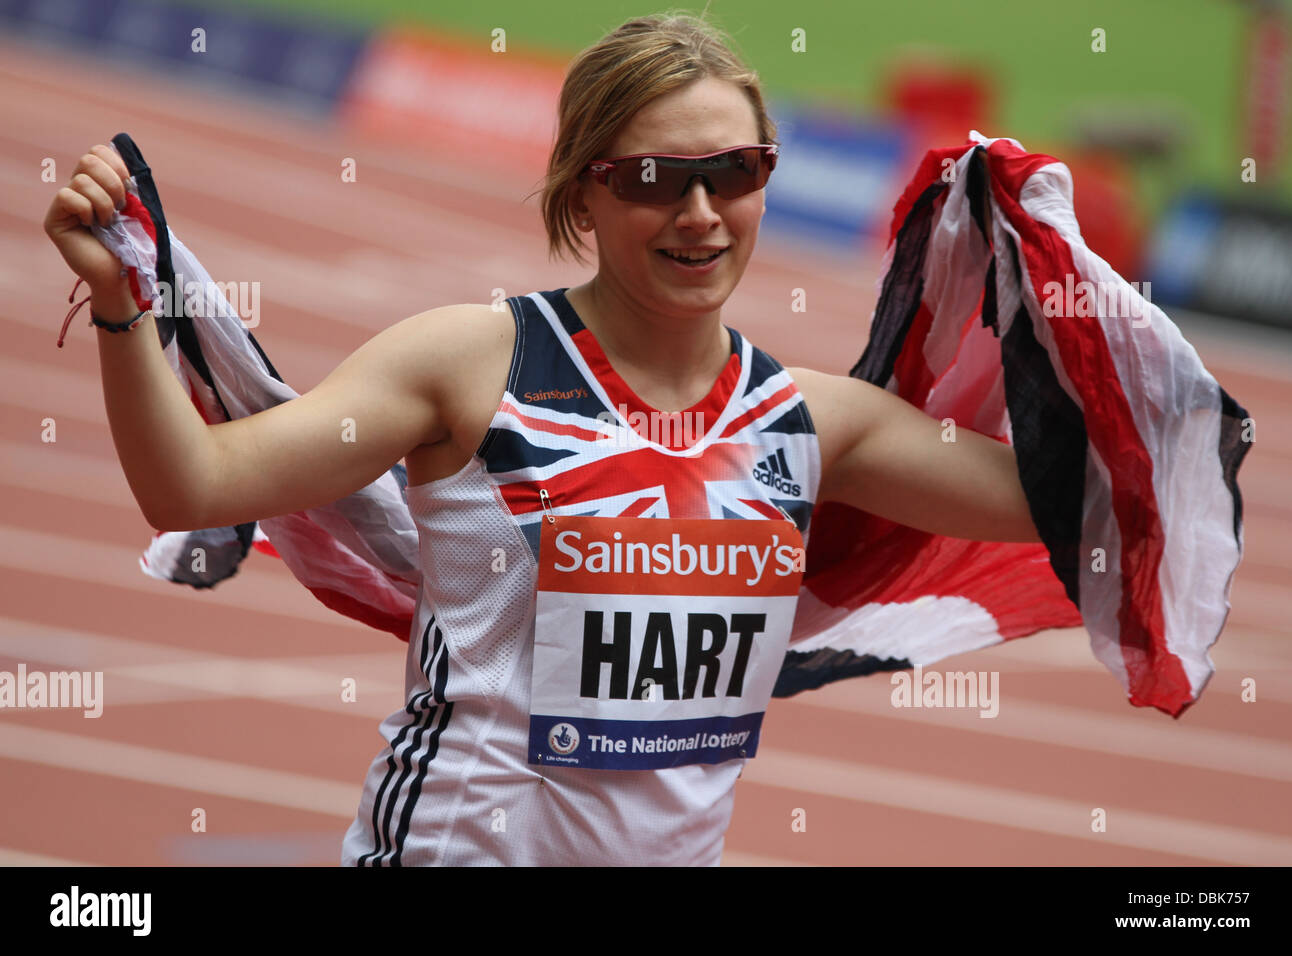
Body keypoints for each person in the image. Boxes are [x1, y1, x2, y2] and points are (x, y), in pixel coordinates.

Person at [43, 13, 1043, 866]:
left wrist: (1061, 294)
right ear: (584, 191)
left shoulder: (813, 420)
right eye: (655, 177)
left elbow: (1073, 498)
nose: (700, 213)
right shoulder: (470, 363)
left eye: (735, 171)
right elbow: (194, 485)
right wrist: (127, 304)